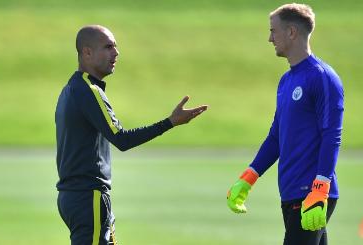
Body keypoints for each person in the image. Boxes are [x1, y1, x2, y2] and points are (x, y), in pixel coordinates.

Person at [55, 25, 208, 245]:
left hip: (76, 196)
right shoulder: (89, 90)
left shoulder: (71, 88)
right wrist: (170, 122)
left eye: (115, 47)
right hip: (88, 197)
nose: (116, 53)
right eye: (108, 47)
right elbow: (122, 139)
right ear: (87, 52)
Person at [227, 3, 344, 245]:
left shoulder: (322, 77)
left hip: (311, 193)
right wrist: (249, 176)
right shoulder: (286, 81)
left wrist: (320, 187)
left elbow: (331, 135)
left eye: (273, 31)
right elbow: (276, 137)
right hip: (291, 193)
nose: (270, 38)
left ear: (291, 32)